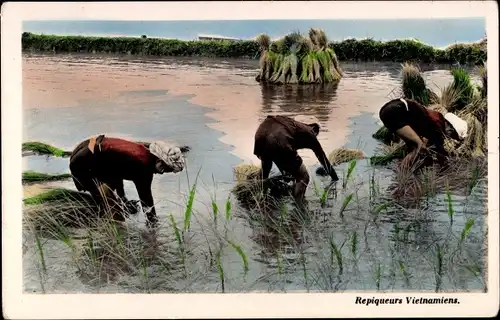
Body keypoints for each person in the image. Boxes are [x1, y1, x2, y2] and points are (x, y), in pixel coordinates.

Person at [69, 135, 185, 227]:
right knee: (116, 216)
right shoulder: (142, 166)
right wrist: (153, 228)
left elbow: (116, 171)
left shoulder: (142, 152)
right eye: (164, 169)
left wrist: (123, 199)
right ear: (159, 161)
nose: (162, 173)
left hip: (89, 148)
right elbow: (146, 202)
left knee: (114, 200)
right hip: (83, 163)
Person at [253, 115, 339, 209]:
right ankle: (298, 208)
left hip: (261, 134)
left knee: (265, 170)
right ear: (314, 130)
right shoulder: (310, 132)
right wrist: (335, 179)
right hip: (278, 138)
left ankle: (258, 200)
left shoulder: (292, 125)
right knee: (303, 177)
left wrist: (286, 171)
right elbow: (323, 160)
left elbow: (278, 156)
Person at [378, 98, 468, 168]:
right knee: (419, 146)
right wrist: (446, 164)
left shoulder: (431, 115)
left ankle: (403, 169)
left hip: (387, 111)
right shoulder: (438, 125)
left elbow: (424, 137)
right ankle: (404, 171)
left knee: (413, 147)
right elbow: (439, 150)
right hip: (396, 111)